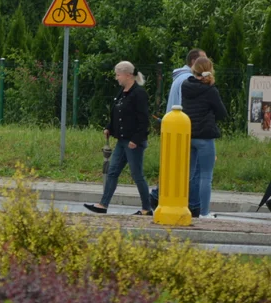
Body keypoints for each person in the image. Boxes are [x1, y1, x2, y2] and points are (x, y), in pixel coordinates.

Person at [85, 61, 152, 215]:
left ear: (128, 74)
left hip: (133, 142)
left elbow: (143, 120)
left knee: (137, 175)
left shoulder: (139, 93)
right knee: (113, 171)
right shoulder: (122, 92)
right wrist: (110, 127)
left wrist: (136, 139)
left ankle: (146, 208)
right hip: (122, 141)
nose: (116, 78)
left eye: (118, 74)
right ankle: (103, 205)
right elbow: (117, 114)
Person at [181, 56, 227, 219]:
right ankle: (204, 212)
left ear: (193, 69)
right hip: (205, 137)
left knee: (189, 173)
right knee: (206, 176)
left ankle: (185, 206)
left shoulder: (185, 86)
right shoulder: (210, 90)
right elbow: (222, 113)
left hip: (188, 135)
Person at [167, 48, 204, 113]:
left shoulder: (180, 76)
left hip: (173, 119)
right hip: (182, 121)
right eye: (203, 60)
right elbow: (186, 105)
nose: (207, 62)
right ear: (194, 61)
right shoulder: (189, 78)